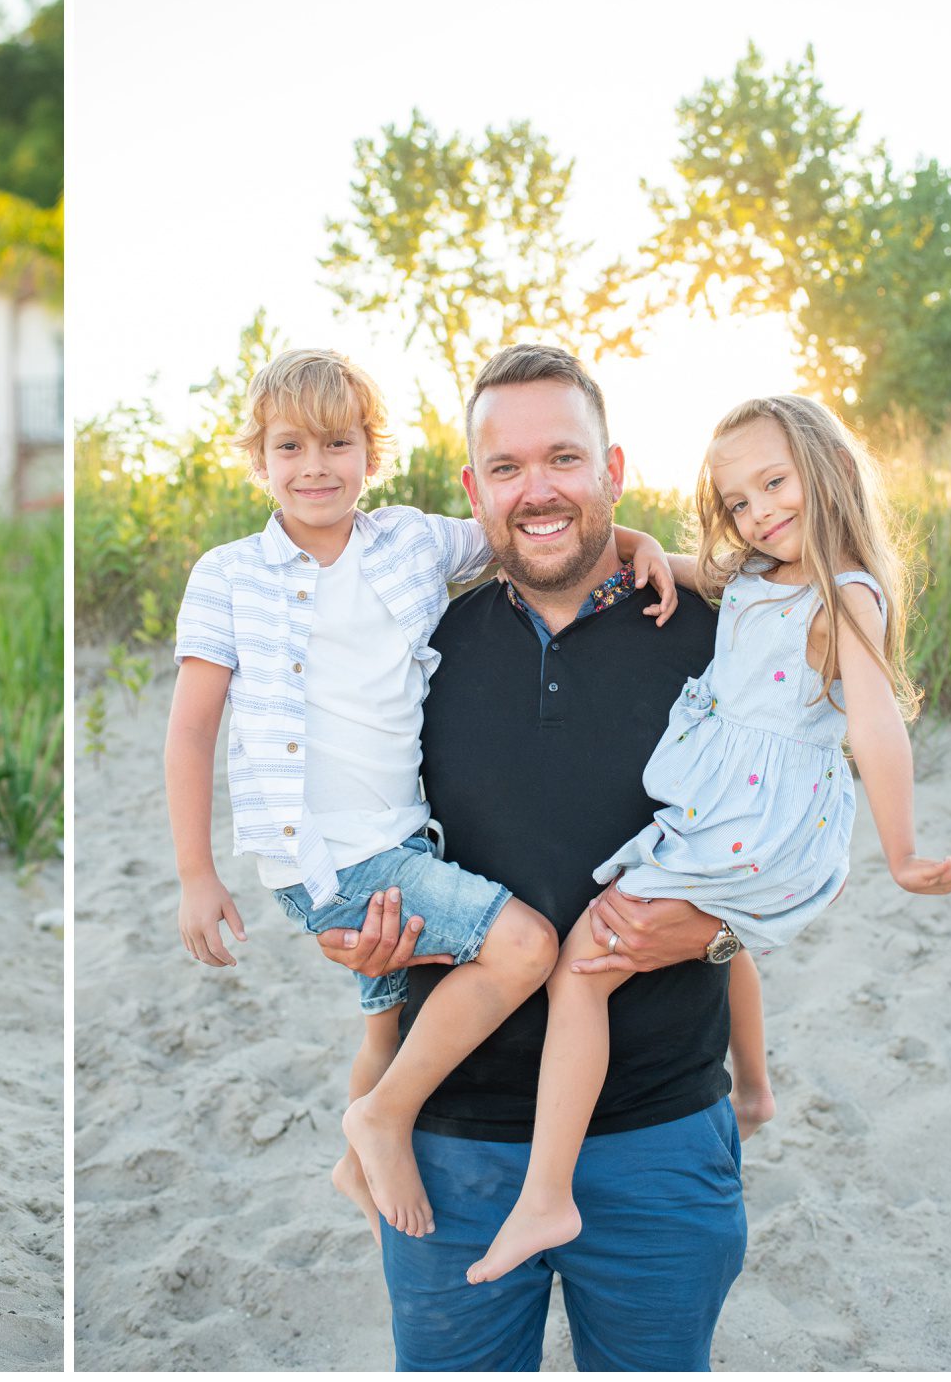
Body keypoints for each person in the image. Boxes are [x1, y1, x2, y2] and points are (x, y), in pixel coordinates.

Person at [464, 392, 951, 1286]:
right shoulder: (758, 574)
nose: (761, 512)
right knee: (713, 935)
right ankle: (753, 1086)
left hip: (757, 819)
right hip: (726, 814)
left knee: (583, 967)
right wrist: (634, 545)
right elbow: (660, 559)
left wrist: (904, 854)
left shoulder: (842, 597)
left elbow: (875, 726)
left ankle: (548, 1193)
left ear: (828, 469)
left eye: (776, 484)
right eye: (740, 500)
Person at [166, 347, 676, 1242]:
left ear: (374, 451)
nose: (315, 467)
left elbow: (540, 525)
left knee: (388, 1022)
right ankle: (381, 1119)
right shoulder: (227, 577)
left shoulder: (408, 541)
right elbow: (191, 729)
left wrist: (638, 541)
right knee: (522, 949)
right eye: (289, 448)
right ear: (258, 460)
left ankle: (354, 1157)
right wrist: (195, 873)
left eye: (337, 443)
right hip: (327, 850)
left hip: (404, 834)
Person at [317, 344, 737, 1371]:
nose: (535, 490)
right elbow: (347, 830)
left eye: (562, 458)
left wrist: (723, 925)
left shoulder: (711, 638)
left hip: (657, 1133)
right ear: (471, 489)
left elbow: (796, 850)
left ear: (612, 469)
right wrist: (350, 937)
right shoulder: (416, 643)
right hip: (452, 1142)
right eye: (504, 468)